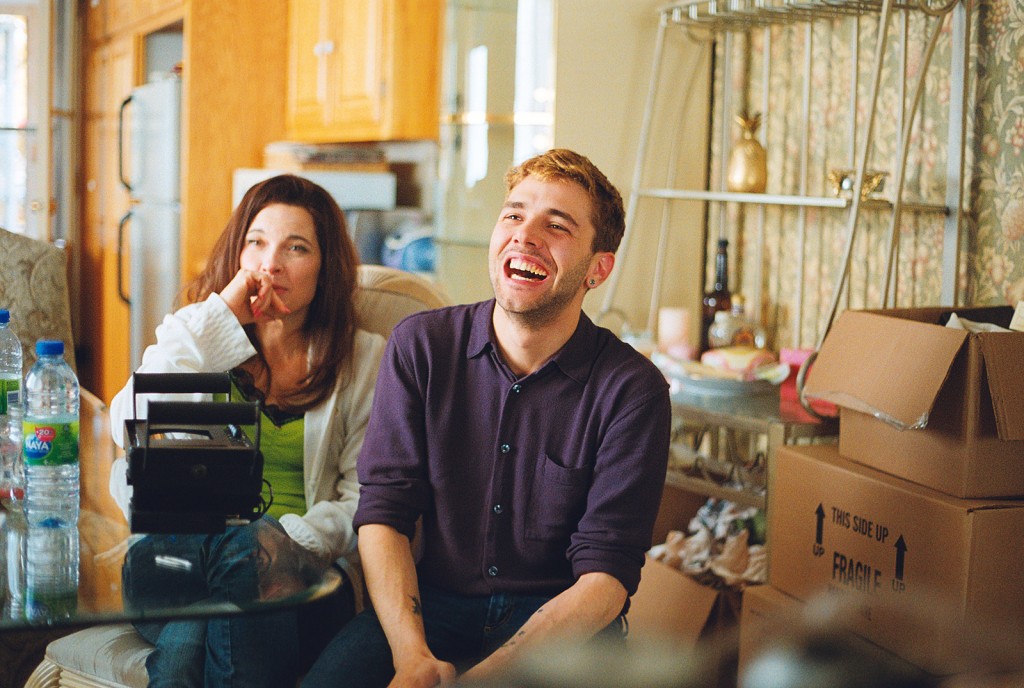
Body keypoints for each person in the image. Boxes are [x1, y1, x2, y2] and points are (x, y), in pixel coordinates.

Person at [302, 148, 672, 687]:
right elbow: (384, 513)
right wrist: (412, 657)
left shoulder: (633, 391)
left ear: (599, 268)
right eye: (514, 214)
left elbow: (607, 575)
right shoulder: (420, 347)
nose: (525, 235)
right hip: (432, 608)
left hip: (564, 623)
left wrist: (488, 676)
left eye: (558, 224)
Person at [107, 174, 387, 687]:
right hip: (175, 559)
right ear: (238, 253)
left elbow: (365, 495)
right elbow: (130, 423)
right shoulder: (199, 333)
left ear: (326, 268)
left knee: (187, 642)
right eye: (256, 242)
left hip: (302, 576)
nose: (270, 263)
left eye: (295, 247)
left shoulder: (364, 358)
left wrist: (279, 544)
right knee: (234, 559)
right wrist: (222, 319)